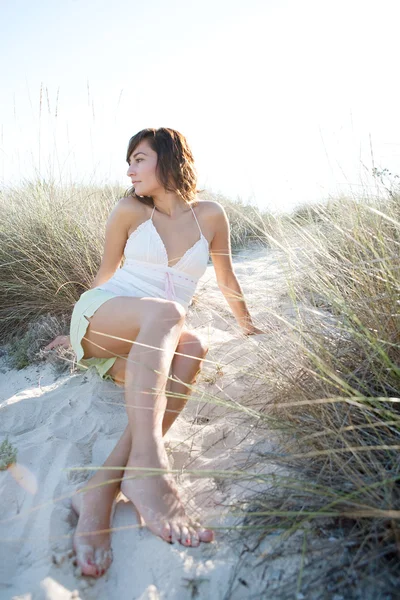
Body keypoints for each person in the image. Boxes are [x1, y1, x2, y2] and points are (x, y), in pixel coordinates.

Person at [45, 127, 265, 578]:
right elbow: (105, 277)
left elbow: (225, 278)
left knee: (194, 345)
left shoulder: (211, 215)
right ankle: (150, 467)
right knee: (169, 314)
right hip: (104, 319)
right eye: (129, 160)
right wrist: (74, 333)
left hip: (152, 339)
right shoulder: (128, 210)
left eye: (139, 158)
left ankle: (101, 489)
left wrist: (249, 326)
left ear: (168, 159)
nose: (129, 169)